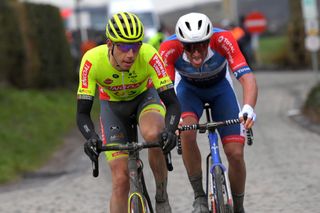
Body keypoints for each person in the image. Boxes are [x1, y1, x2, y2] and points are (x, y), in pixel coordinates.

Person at [76, 12, 181, 213]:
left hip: (145, 99)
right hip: (113, 108)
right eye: (124, 47)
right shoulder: (92, 61)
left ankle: (161, 196)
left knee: (154, 135)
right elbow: (82, 113)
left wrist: (169, 130)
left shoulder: (149, 54)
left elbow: (172, 103)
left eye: (135, 46)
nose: (131, 54)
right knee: (120, 180)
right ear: (110, 44)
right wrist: (91, 137)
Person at [159, 13, 258, 213]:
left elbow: (247, 77)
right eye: (189, 47)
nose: (196, 53)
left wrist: (248, 107)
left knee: (235, 153)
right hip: (188, 91)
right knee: (186, 133)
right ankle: (199, 197)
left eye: (202, 45)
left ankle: (238, 207)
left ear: (209, 40)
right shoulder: (169, 48)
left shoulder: (224, 39)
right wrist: (172, 119)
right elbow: (164, 90)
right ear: (180, 43)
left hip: (220, 89)